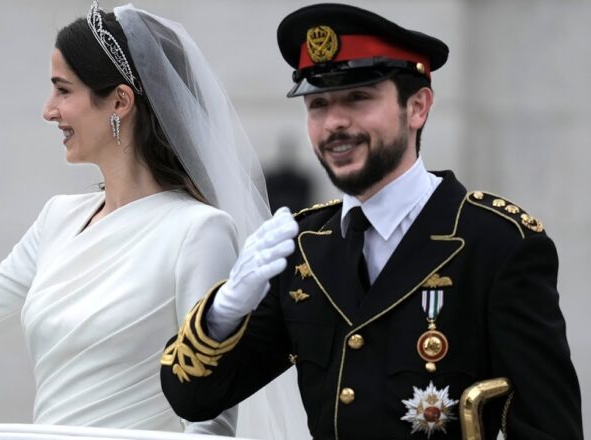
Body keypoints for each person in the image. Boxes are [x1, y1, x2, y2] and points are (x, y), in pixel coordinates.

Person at [0, 1, 271, 435]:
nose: (48, 110)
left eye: (63, 90)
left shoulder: (199, 232)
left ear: (120, 101)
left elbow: (209, 423)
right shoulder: (57, 220)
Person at [160, 3, 583, 439]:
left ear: (417, 107)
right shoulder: (304, 246)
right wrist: (224, 313)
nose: (335, 123)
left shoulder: (496, 242)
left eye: (358, 98)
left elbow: (549, 427)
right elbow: (193, 399)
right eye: (318, 104)